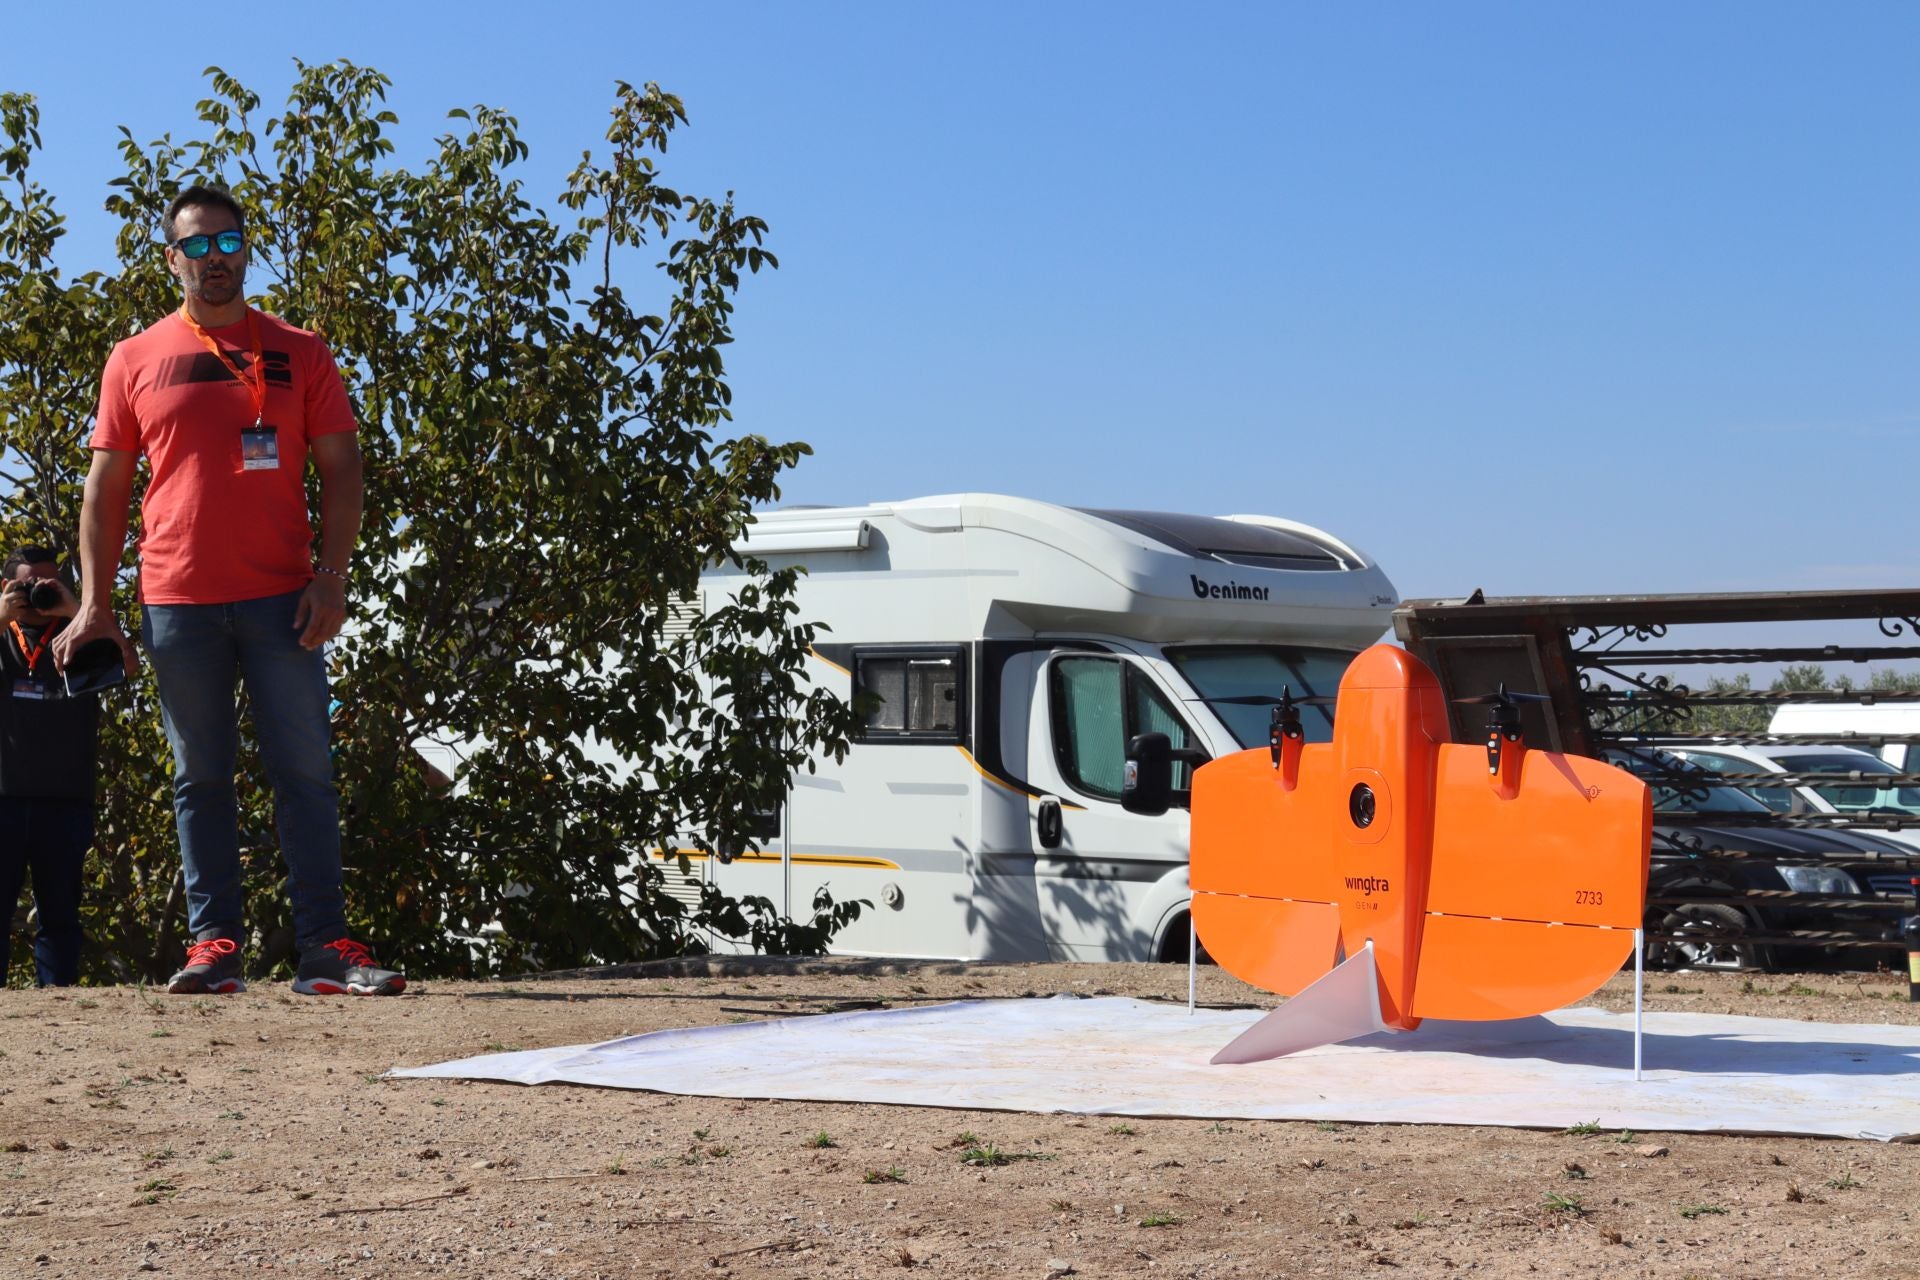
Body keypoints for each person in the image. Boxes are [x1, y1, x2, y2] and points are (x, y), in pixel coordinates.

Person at [53, 184, 404, 997]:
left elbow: (343, 468)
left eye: (228, 242)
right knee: (199, 777)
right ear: (171, 258)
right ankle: (214, 947)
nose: (215, 260)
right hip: (176, 600)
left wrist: (333, 575)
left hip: (285, 598)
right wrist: (98, 602)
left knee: (306, 773)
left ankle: (326, 948)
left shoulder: (300, 349)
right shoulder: (134, 357)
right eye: (197, 246)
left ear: (247, 249)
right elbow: (104, 491)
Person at [0, 547, 98, 986]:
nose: (38, 593)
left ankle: (58, 1008)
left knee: (60, 916)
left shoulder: (77, 639)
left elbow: (127, 668)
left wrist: (79, 611)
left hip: (65, 798)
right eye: (28, 585)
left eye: (48, 584)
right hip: (3, 797)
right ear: (6, 588)